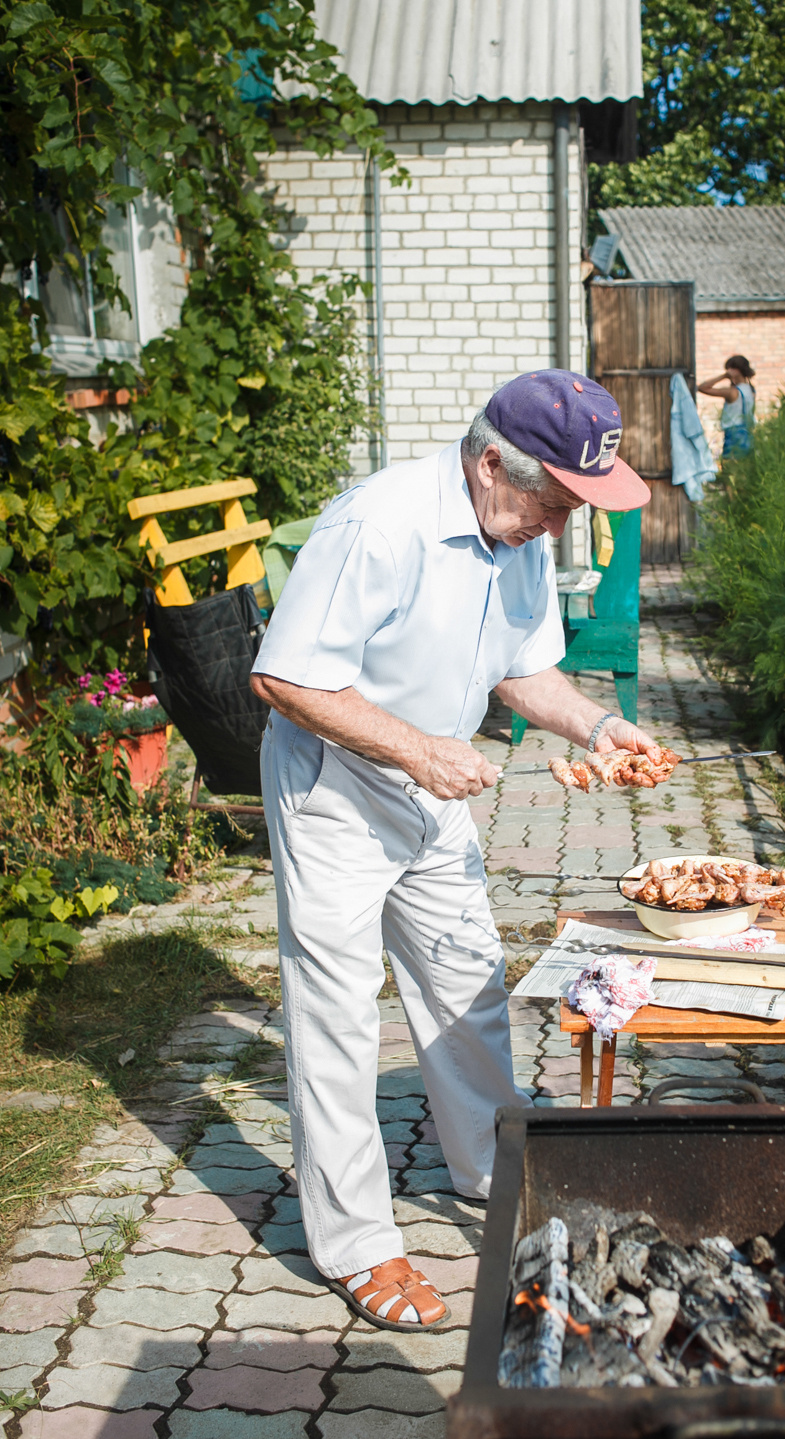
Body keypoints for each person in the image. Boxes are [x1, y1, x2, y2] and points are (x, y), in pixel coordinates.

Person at [250, 370, 665, 1331]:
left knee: (468, 977)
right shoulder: (379, 525)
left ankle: (490, 1166)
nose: (558, 529)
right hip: (337, 790)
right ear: (490, 465)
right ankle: (358, 1248)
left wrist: (595, 728)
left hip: (431, 784)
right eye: (554, 504)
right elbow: (282, 678)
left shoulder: (516, 532)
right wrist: (420, 750)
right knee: (340, 1012)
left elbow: (525, 670)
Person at [698, 355, 756, 458]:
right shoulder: (751, 390)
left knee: (731, 469)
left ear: (736, 370)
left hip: (733, 434)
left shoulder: (733, 392)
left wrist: (723, 376)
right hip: (749, 432)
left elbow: (702, 388)